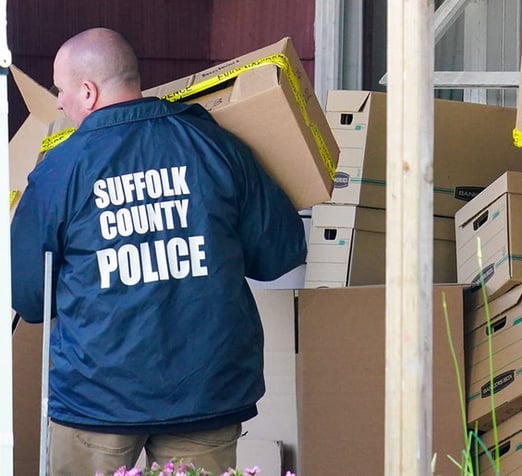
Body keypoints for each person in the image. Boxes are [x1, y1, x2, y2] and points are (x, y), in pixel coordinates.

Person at [10, 27, 307, 475]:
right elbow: (281, 252)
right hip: (207, 393)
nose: (58, 102)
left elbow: (30, 299)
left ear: (87, 92)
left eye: (61, 89)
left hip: (98, 401)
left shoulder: (59, 171)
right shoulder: (218, 147)